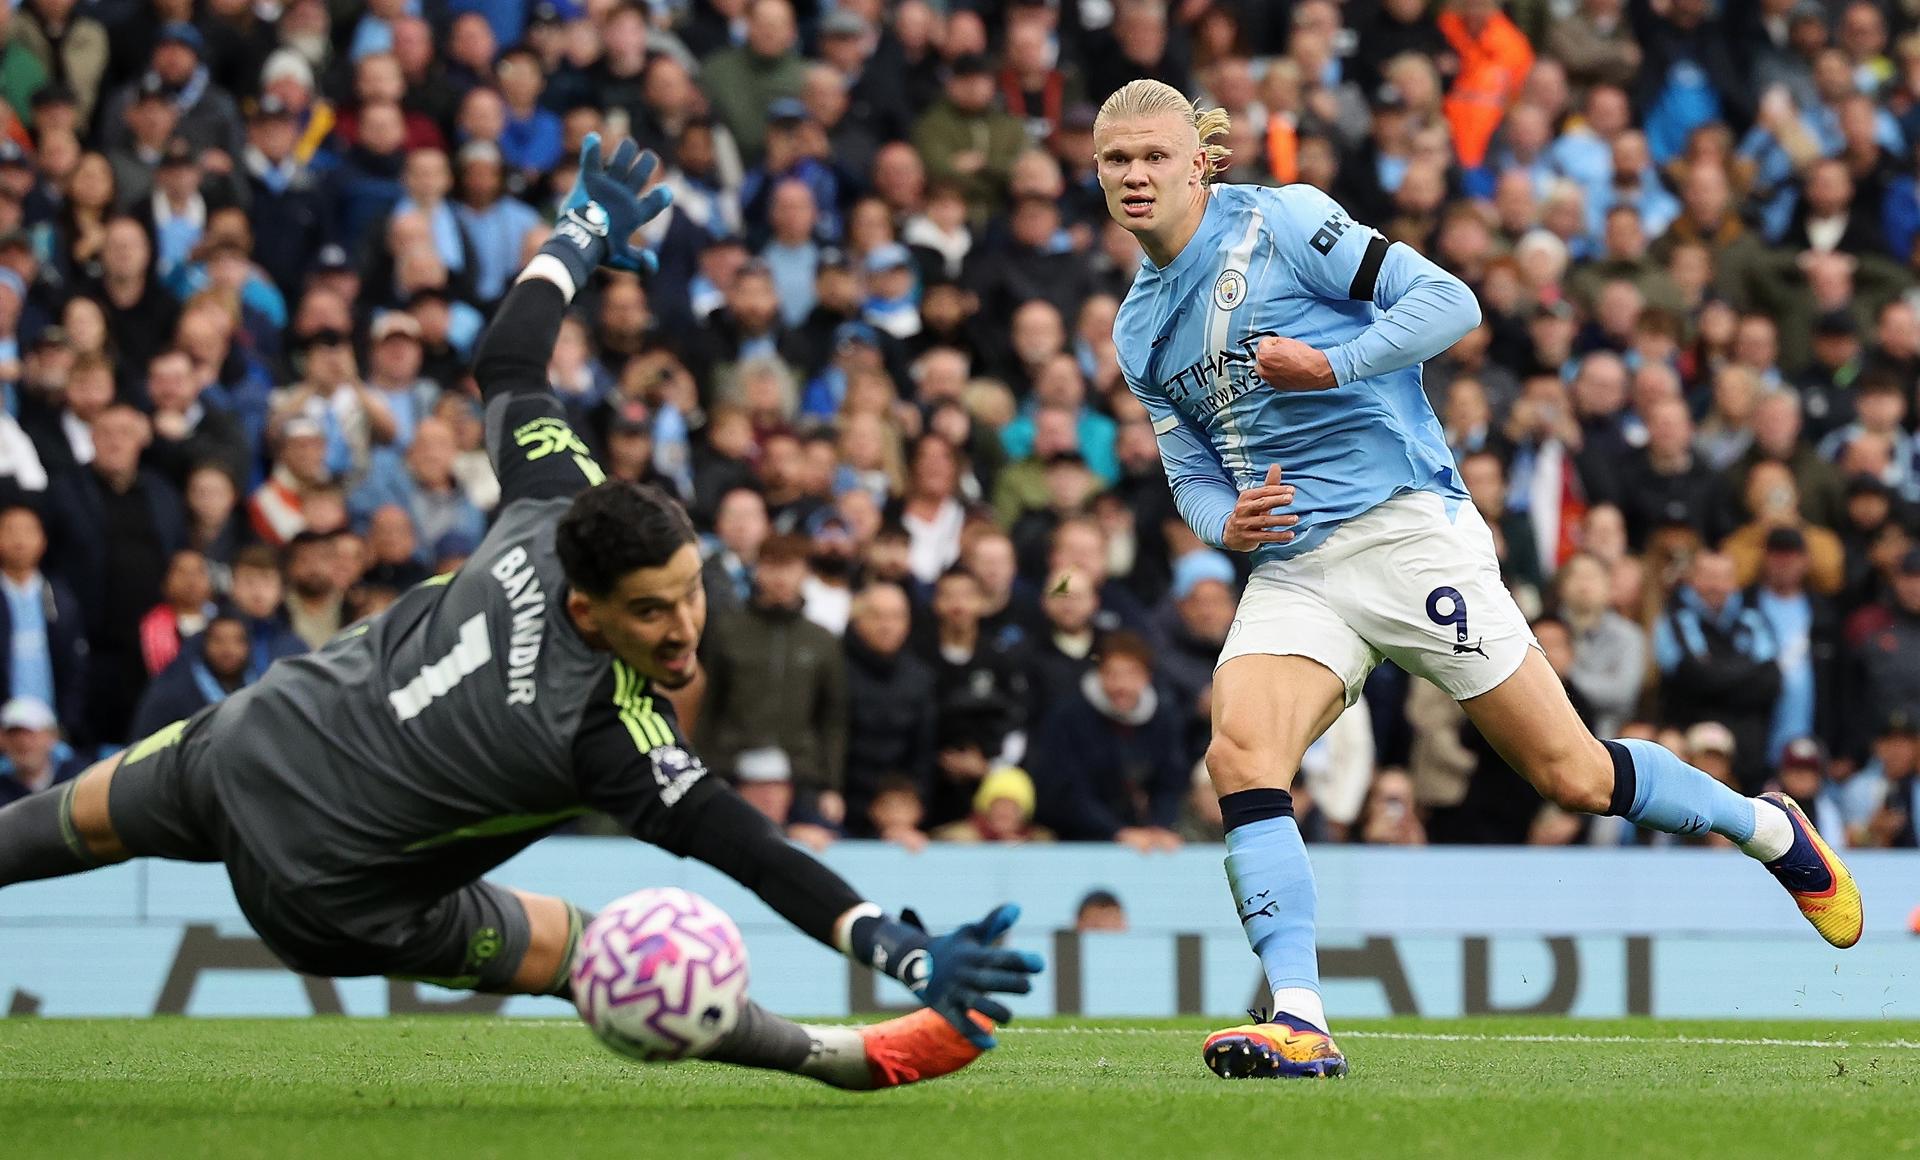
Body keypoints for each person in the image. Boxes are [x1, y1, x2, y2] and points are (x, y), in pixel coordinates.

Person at [0, 138, 1043, 1086]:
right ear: (589, 611)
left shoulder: (557, 497)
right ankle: (844, 1060)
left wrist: (578, 233)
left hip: (248, 735)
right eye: (651, 614)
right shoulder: (607, 732)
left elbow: (506, 360)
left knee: (53, 829)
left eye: (690, 591)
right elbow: (753, 850)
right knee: (602, 953)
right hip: (326, 889)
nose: (684, 629)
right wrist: (894, 947)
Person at [1097, 81, 1858, 1081]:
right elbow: (1189, 468)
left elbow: (1447, 302)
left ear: (1203, 160)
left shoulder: (1282, 221)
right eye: (1117, 160)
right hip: (1295, 567)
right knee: (1240, 751)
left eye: (1156, 156)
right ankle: (1300, 1017)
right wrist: (1218, 521)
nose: (1137, 176)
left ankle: (1769, 826)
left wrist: (1329, 366)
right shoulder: (1135, 326)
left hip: (1408, 532)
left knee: (1573, 774)